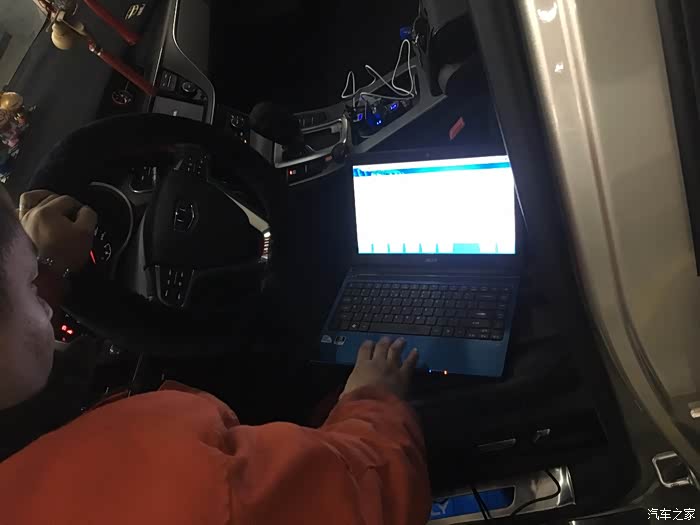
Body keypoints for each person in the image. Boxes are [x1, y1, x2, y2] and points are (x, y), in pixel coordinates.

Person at [0, 186, 431, 524]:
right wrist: (372, 401)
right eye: (30, 284)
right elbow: (368, 498)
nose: (46, 307)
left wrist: (55, 274)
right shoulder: (177, 478)